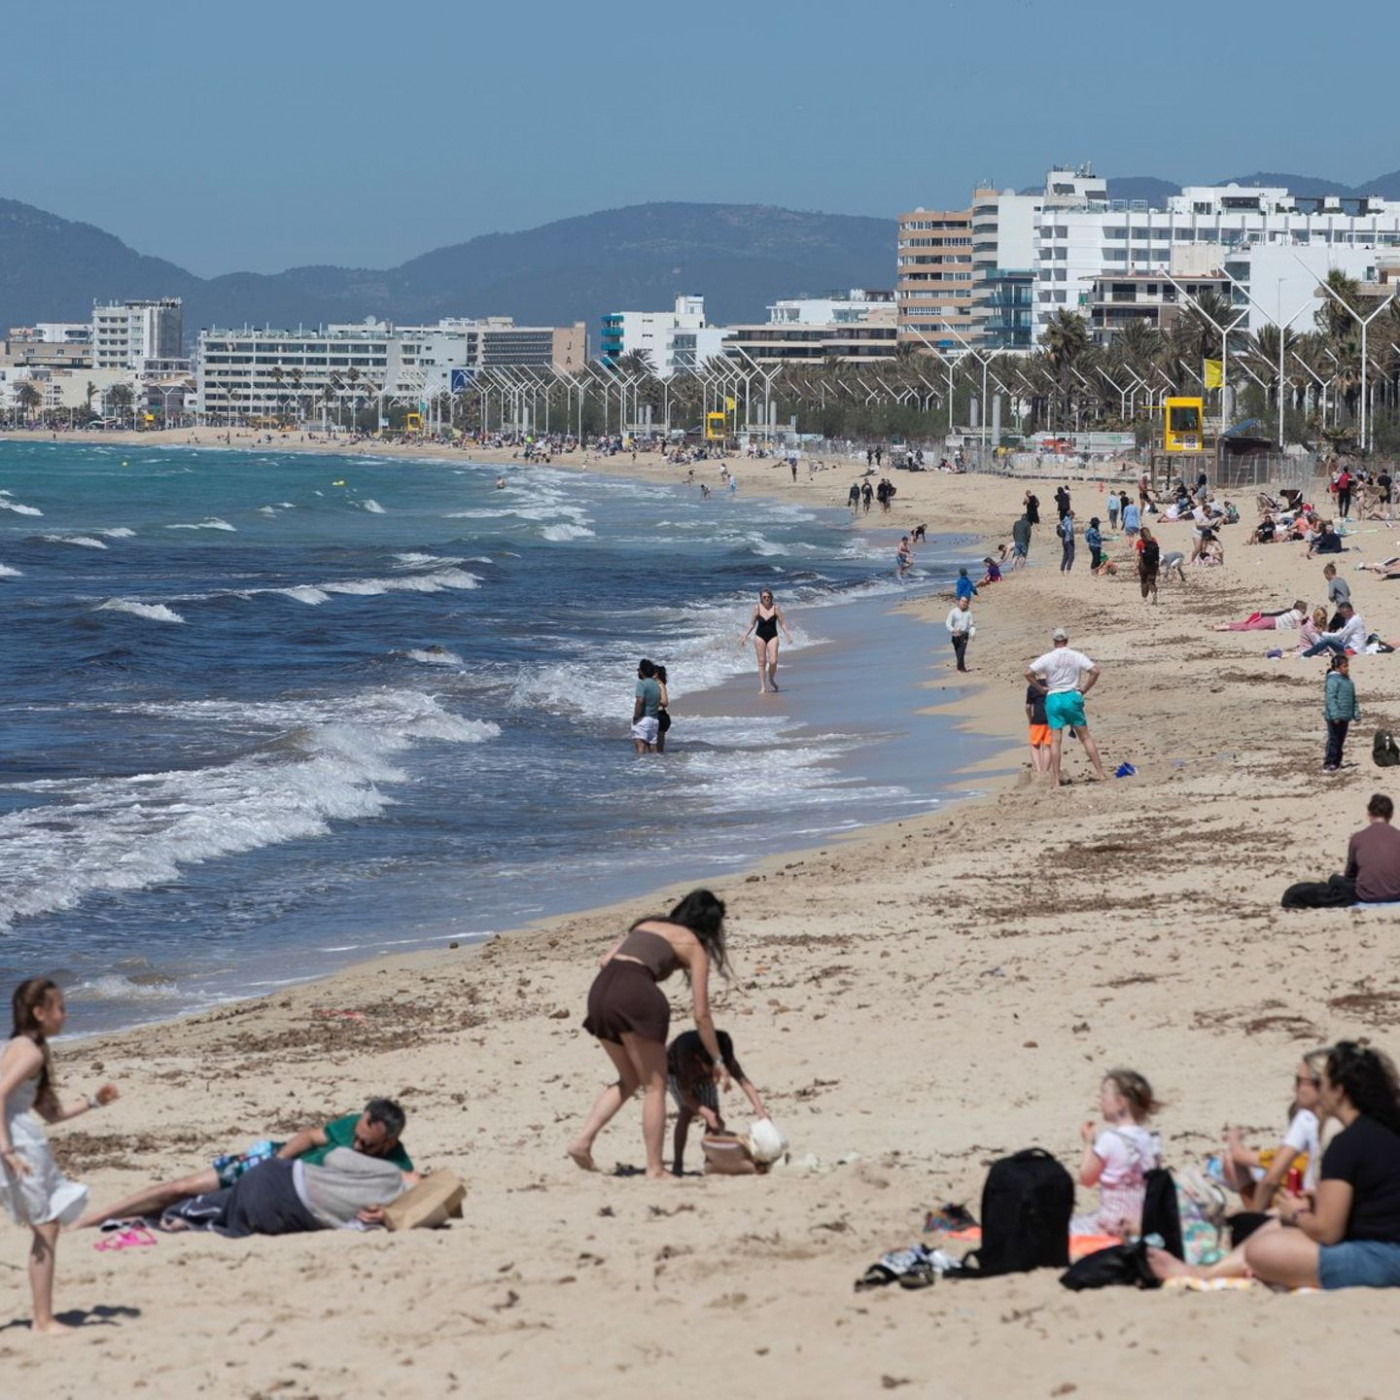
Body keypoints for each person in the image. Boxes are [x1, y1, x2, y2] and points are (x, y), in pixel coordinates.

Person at [569, 890, 731, 1179]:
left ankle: (582, 1142)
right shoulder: (693, 945)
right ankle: (655, 1169)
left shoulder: (645, 925)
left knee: (629, 1079)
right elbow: (701, 1015)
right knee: (655, 1087)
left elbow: (605, 961)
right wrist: (718, 1060)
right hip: (637, 995)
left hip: (600, 992)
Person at [76, 1098, 411, 1230]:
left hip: (287, 1193)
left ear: (389, 1143)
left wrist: (386, 1213)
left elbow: (419, 1191)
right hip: (273, 1163)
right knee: (180, 1188)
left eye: (366, 1145)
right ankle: (93, 1219)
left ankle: (140, 1220)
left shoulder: (396, 1163)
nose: (356, 1143)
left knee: (192, 1205)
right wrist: (275, 1163)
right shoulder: (355, 1124)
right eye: (357, 1135)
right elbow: (309, 1137)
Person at [1, 978, 120, 1334]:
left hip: (20, 1140)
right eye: (61, 1008)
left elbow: (51, 1114)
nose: (66, 1014)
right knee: (47, 1226)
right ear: (40, 1012)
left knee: (46, 1226)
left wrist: (94, 1101)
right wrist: (7, 1151)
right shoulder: (31, 1052)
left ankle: (43, 1318)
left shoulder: (22, 1046)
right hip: (17, 1144)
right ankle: (43, 1321)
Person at [1235, 1042, 1400, 1289]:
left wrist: (1297, 1212)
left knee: (1262, 1249)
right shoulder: (1387, 1131)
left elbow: (1328, 1232)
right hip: (1387, 1248)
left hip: (1380, 1258)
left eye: (1321, 1084)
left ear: (1339, 1091)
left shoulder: (1346, 1143)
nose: (1319, 1092)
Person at [162, 1147, 412, 1238]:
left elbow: (336, 1158)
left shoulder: (391, 1174)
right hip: (289, 1220)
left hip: (281, 1184)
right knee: (232, 1212)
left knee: (230, 1197)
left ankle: (181, 1215)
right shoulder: (385, 1216)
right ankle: (197, 1224)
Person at [1221, 1055, 1325, 1211]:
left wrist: (1234, 1137)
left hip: (1300, 1210)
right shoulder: (1346, 1123)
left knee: (1230, 1161)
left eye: (1300, 1081)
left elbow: (1270, 1178)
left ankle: (1253, 1213)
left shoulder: (1306, 1120)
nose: (1294, 1088)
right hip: (1321, 1206)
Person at [666, 1029, 769, 1176]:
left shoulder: (723, 1055)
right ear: (700, 1061)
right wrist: (706, 1114)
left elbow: (744, 1082)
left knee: (715, 1113)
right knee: (686, 1112)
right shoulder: (686, 1059)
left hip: (701, 1072)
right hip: (674, 1070)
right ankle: (678, 1163)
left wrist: (761, 1112)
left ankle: (711, 1160)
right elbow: (686, 1097)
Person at [1073, 1069, 1162, 1237]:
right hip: (1142, 1223)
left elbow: (1087, 1178)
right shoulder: (1151, 1139)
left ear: (1120, 1102)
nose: (1100, 1102)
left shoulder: (1109, 1139)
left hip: (1111, 1224)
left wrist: (1089, 1143)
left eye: (1103, 1095)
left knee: (1068, 1228)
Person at [1282, 794, 1400, 907]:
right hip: (1396, 895)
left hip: (1366, 896)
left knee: (1335, 880)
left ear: (1369, 815)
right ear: (1391, 814)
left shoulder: (1358, 838)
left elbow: (1350, 875)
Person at [1025, 628, 1109, 786]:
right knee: (1085, 737)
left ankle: (1055, 780)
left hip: (1054, 698)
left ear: (1054, 642)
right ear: (1067, 641)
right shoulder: (1076, 655)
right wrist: (1084, 689)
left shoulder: (1048, 657)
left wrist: (1040, 688)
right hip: (1071, 697)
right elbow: (1095, 671)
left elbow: (1028, 673)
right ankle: (1100, 773)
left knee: (1055, 741)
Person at [742, 589, 794, 695]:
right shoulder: (757, 608)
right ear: (761, 598)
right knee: (761, 662)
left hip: (773, 636)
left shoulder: (776, 608)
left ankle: (771, 679)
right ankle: (763, 687)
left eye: (768, 597)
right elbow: (752, 624)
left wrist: (788, 635)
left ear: (771, 597)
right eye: (764, 597)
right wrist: (744, 636)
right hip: (759, 637)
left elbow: (782, 623)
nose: (766, 599)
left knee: (773, 661)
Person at [1324, 653, 1361, 772]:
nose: (1347, 668)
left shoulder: (1349, 682)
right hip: (1334, 717)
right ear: (1337, 668)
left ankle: (1337, 761)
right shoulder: (1332, 680)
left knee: (1341, 740)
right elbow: (1331, 698)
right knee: (1333, 740)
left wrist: (1356, 714)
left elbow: (1353, 699)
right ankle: (1329, 763)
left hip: (1345, 716)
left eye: (1347, 666)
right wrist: (1335, 715)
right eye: (1345, 666)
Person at [1301, 601, 1365, 658]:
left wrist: (1321, 633)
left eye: (1343, 613)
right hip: (1349, 646)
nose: (1342, 615)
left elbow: (1339, 635)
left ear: (1348, 611)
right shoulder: (1351, 618)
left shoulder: (1354, 621)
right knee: (1332, 640)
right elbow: (1343, 637)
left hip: (1353, 651)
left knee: (1328, 641)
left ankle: (1305, 654)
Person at [1212, 600, 1307, 632]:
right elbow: (1299, 627)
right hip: (1270, 622)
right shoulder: (1297, 613)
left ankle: (1226, 625)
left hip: (1270, 621)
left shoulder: (1292, 613)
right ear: (1301, 609)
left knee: (1247, 625)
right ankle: (1225, 626)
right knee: (1248, 627)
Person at [632, 659, 662, 753]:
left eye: (639, 670)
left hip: (643, 719)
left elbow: (640, 701)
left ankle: (640, 767)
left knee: (640, 746)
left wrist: (636, 716)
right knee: (653, 748)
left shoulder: (642, 683)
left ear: (642, 671)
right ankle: (655, 766)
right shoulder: (656, 685)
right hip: (654, 719)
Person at [1025, 670, 1051, 774]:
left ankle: (1038, 770)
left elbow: (1028, 706)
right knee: (1047, 746)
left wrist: (1030, 719)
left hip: (1037, 719)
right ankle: (1045, 771)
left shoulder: (1032, 687)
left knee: (1035, 745)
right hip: (1050, 718)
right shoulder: (1052, 685)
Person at [945, 595, 974, 673]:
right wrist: (953, 630)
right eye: (962, 601)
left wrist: (972, 634)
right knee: (958, 651)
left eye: (966, 602)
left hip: (964, 634)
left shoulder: (968, 613)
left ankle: (961, 667)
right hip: (955, 635)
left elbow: (971, 625)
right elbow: (948, 623)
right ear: (959, 602)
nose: (964, 603)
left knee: (962, 650)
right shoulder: (953, 612)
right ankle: (961, 667)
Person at [1137, 525, 1160, 603]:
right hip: (1153, 564)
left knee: (1143, 581)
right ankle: (1154, 592)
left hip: (1143, 563)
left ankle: (1145, 599)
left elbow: (1137, 554)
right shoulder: (1154, 541)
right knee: (1151, 581)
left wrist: (1135, 566)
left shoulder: (1139, 542)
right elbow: (1157, 552)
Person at [1324, 562, 1351, 628]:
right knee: (1346, 626)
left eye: (1325, 576)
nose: (1326, 578)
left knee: (1330, 628)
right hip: (1348, 606)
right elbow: (1349, 593)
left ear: (1328, 574)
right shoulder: (1342, 580)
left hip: (1341, 608)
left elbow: (1331, 595)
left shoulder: (1332, 582)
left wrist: (1332, 599)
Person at [653, 664, 672, 755]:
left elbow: (665, 702)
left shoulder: (660, 685)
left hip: (660, 715)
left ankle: (658, 764)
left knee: (658, 747)